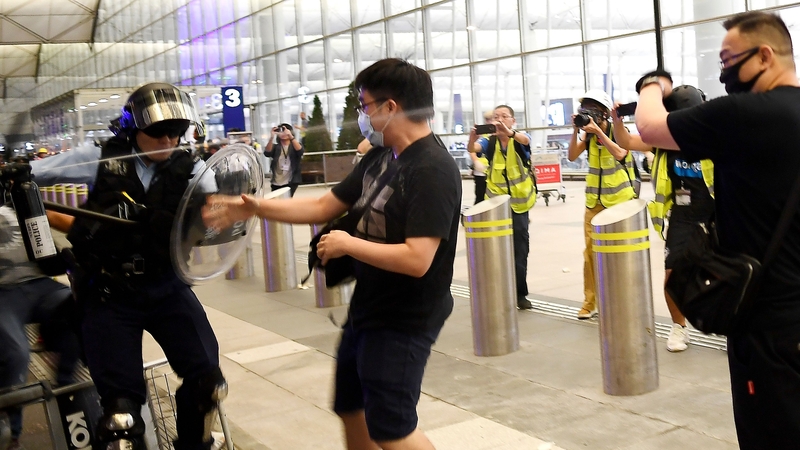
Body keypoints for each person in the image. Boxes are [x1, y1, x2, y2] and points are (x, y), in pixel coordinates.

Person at [203, 58, 461, 450]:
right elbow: (324, 205)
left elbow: (418, 259)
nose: (363, 115)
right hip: (369, 306)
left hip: (405, 316)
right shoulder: (382, 157)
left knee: (392, 427)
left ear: (390, 107)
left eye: (366, 105)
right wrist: (254, 206)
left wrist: (348, 244)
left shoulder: (432, 169)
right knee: (350, 405)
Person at [635, 11, 800, 448]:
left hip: (771, 328)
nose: (723, 71)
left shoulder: (745, 115)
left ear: (765, 55)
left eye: (729, 60)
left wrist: (654, 84)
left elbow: (650, 127)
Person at [30, 82, 226, 450]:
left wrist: (215, 213)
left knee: (208, 384)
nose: (167, 139)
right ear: (133, 128)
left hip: (167, 286)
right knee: (121, 416)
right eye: (157, 131)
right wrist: (13, 176)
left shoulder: (194, 168)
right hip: (110, 293)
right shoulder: (100, 158)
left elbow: (214, 212)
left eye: (176, 131)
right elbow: (36, 173)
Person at [612, 84, 715, 352]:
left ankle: (729, 323)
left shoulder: (714, 136)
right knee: (672, 274)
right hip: (682, 215)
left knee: (725, 272)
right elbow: (626, 142)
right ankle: (679, 327)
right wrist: (616, 119)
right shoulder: (664, 140)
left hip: (716, 213)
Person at [0, 204, 81, 450]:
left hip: (40, 285)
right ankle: (11, 433)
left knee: (79, 309)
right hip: (3, 294)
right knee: (15, 353)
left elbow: (49, 253)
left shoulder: (20, 206)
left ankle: (67, 395)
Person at [567, 89, 638, 320]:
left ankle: (624, 300)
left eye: (592, 111)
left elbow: (620, 153)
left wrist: (599, 132)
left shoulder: (619, 131)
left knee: (620, 254)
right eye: (583, 110)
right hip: (594, 203)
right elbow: (570, 157)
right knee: (590, 254)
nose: (587, 115)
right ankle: (590, 302)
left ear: (605, 114)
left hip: (619, 204)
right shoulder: (587, 136)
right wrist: (576, 130)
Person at [467, 105, 536, 310]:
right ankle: (498, 293)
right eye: (496, 117)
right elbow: (473, 149)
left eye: (504, 116)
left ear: (513, 120)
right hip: (495, 206)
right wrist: (472, 137)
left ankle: (520, 294)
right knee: (495, 251)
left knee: (519, 251)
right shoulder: (489, 141)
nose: (499, 120)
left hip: (519, 205)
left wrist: (511, 134)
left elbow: (526, 140)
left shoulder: (518, 138)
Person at [264, 123, 304, 196]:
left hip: (291, 180)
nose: (283, 133)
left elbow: (300, 151)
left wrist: (290, 136)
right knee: (277, 202)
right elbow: (267, 153)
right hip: (276, 181)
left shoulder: (294, 146)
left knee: (287, 200)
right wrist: (271, 137)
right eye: (280, 131)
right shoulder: (276, 147)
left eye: (285, 131)